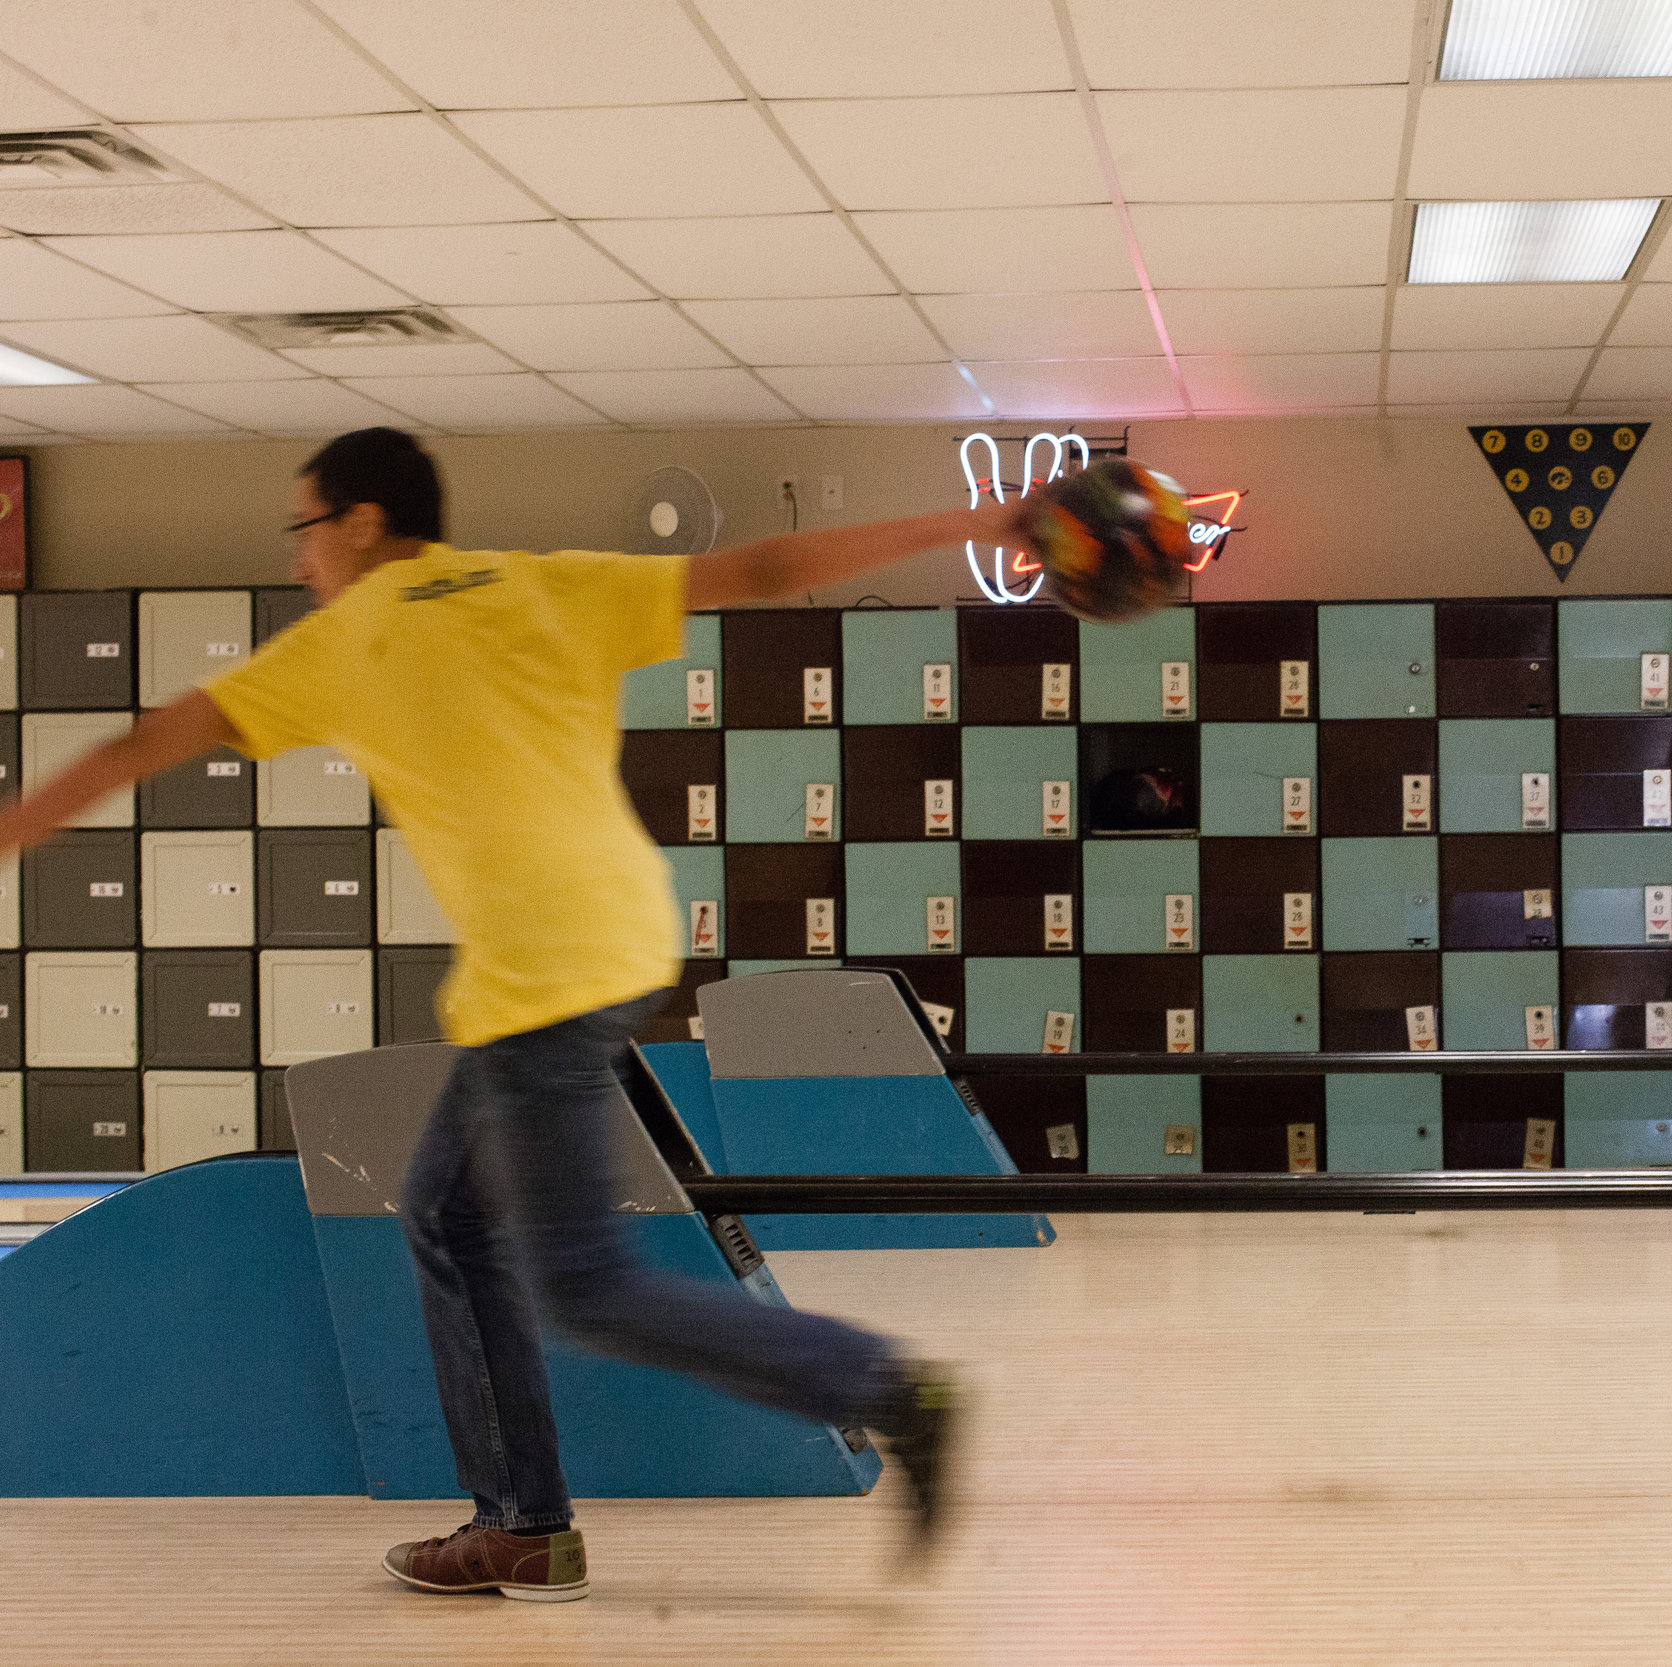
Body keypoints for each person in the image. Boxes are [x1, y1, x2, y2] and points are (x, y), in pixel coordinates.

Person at [0, 428, 1030, 1602]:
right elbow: (762, 569)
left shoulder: (349, 639)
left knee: (588, 1285)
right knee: (443, 1209)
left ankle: (884, 1387)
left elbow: (151, 739)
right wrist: (964, 525)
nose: (297, 560)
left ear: (362, 523)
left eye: (303, 528)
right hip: (606, 944)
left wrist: (15, 828)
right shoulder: (545, 582)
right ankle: (523, 1521)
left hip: (545, 979)